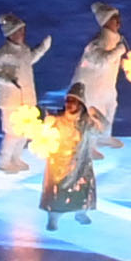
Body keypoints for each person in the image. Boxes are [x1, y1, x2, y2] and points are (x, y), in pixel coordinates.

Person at [0, 13, 55, 160]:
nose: (22, 34)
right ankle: (4, 160)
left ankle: (15, 158)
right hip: (11, 100)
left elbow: (29, 60)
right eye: (19, 31)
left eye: (23, 30)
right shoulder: (2, 54)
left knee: (26, 131)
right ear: (11, 33)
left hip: (27, 98)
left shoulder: (24, 50)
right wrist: (7, 81)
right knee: (12, 132)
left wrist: (42, 49)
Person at [38, 72, 101, 226]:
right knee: (57, 191)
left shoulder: (86, 122)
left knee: (81, 187)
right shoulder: (57, 120)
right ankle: (54, 216)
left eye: (73, 101)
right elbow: (42, 129)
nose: (69, 104)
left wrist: (97, 117)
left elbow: (99, 130)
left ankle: (81, 212)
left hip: (80, 162)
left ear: (80, 104)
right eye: (68, 101)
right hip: (60, 164)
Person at [72, 5, 131, 151]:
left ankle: (104, 137)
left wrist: (128, 65)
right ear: (106, 21)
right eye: (114, 19)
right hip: (93, 86)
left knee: (110, 107)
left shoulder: (115, 41)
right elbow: (100, 60)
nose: (118, 22)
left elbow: (112, 61)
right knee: (95, 113)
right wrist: (119, 50)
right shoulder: (98, 42)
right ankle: (89, 146)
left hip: (107, 85)